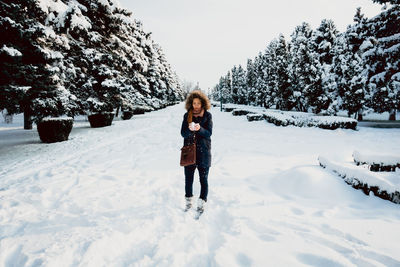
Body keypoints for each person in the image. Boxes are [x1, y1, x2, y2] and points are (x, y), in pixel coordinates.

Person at [180, 90, 213, 213]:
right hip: (189, 152)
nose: (196, 106)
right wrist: (189, 129)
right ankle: (188, 203)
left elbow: (209, 133)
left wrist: (199, 129)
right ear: (191, 103)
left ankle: (202, 202)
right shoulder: (186, 115)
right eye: (194, 103)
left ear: (203, 103)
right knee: (189, 179)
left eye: (198, 103)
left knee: (203, 180)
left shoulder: (207, 116)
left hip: (203, 152)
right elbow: (183, 133)